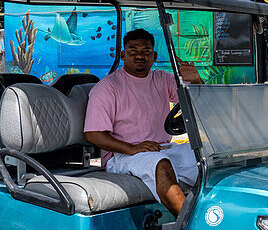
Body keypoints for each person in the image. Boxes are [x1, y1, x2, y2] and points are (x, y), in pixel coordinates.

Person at [84, 29, 202, 216]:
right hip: (122, 156)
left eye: (146, 51)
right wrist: (132, 148)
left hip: (160, 148)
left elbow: (195, 102)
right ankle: (190, 227)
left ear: (154, 56)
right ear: (123, 55)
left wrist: (196, 80)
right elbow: (93, 134)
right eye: (133, 50)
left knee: (202, 155)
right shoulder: (107, 87)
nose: (140, 55)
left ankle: (214, 217)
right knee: (160, 163)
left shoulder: (162, 79)